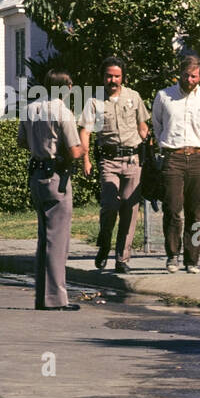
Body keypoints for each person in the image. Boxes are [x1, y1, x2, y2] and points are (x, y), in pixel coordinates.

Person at [17, 70, 84, 310]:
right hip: (56, 175)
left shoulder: (29, 109)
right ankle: (56, 298)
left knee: (45, 237)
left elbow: (22, 142)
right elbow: (75, 151)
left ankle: (43, 296)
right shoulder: (62, 112)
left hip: (36, 174)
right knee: (58, 239)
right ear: (64, 88)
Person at [78, 56, 149, 274]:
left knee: (130, 208)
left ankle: (122, 258)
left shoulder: (133, 97)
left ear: (122, 77)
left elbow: (142, 125)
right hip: (109, 161)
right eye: (109, 75)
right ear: (103, 77)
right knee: (110, 205)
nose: (113, 80)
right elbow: (85, 131)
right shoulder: (94, 101)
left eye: (117, 76)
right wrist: (86, 159)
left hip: (132, 160)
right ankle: (104, 242)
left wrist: (147, 139)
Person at [151, 53, 200, 273]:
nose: (190, 80)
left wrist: (197, 145)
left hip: (198, 157)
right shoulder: (164, 96)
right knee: (172, 209)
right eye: (186, 75)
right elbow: (158, 125)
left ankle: (193, 259)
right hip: (173, 158)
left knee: (196, 213)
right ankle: (172, 256)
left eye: (194, 77)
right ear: (180, 73)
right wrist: (168, 146)